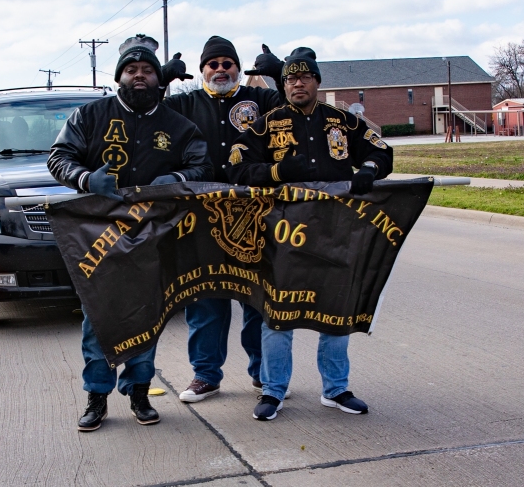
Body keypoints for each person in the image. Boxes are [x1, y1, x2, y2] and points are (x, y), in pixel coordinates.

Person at [48, 34, 213, 431]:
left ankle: (139, 392)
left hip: (155, 237)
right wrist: (85, 179)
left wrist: (174, 177)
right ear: (120, 76)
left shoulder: (178, 125)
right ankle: (96, 396)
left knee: (147, 315)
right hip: (100, 236)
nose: (139, 76)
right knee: (98, 319)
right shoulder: (89, 116)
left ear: (159, 79)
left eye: (147, 71)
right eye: (131, 70)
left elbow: (202, 166)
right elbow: (58, 158)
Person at [226, 46, 393, 421]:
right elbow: (237, 167)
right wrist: (277, 173)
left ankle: (336, 389)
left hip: (336, 230)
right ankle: (273, 391)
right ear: (283, 84)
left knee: (335, 311)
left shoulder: (342, 121)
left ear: (317, 81)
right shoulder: (266, 123)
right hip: (282, 234)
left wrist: (367, 169)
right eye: (289, 78)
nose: (297, 83)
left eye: (304, 77)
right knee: (278, 314)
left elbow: (382, 151)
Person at [161, 36, 282, 403]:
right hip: (201, 218)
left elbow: (295, 104)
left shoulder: (259, 100)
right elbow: (147, 108)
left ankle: (264, 373)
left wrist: (278, 74)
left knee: (257, 298)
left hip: (255, 215)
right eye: (212, 64)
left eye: (228, 63)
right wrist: (163, 78)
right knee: (205, 298)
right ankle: (205, 375)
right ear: (202, 71)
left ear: (238, 68)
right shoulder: (182, 104)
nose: (220, 70)